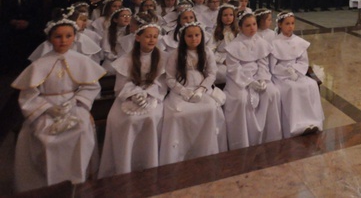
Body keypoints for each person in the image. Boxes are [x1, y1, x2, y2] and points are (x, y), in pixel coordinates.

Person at [12, 18, 106, 192]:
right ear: (49, 39)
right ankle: (46, 184)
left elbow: (91, 87)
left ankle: (77, 179)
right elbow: (28, 95)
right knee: (45, 138)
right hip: (46, 110)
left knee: (81, 130)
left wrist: (76, 102)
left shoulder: (82, 61)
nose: (63, 41)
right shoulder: (39, 64)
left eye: (68, 36)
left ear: (74, 37)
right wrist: (48, 108)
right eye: (58, 36)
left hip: (74, 106)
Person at [98, 23, 167, 177]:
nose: (151, 40)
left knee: (151, 116)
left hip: (153, 95)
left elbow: (161, 83)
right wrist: (135, 93)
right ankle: (125, 163)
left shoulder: (162, 57)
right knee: (125, 119)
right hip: (129, 95)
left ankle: (149, 162)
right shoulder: (127, 58)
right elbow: (121, 85)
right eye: (148, 36)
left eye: (154, 36)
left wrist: (148, 93)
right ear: (138, 37)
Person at [160, 22, 227, 165]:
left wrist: (201, 89)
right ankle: (182, 151)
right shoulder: (175, 54)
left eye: (197, 35)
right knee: (177, 114)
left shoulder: (207, 52)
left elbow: (211, 74)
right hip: (182, 89)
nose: (194, 39)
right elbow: (170, 78)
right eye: (189, 36)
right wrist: (183, 91)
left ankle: (206, 149)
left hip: (202, 89)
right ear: (183, 37)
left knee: (210, 109)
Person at [223, 12, 282, 149]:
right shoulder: (234, 46)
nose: (252, 28)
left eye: (254, 24)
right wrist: (249, 82)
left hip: (258, 76)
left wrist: (262, 79)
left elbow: (263, 63)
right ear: (241, 27)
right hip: (239, 80)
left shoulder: (261, 43)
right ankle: (242, 140)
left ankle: (270, 136)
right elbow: (234, 69)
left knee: (272, 93)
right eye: (248, 25)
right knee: (241, 99)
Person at [269, 12, 324, 137]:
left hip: (298, 73)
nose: (290, 27)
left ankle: (312, 122)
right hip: (281, 76)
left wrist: (295, 70)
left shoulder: (299, 42)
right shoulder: (274, 43)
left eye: (292, 24)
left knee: (311, 85)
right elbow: (273, 66)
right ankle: (295, 125)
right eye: (287, 24)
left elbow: (303, 61)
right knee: (293, 89)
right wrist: (286, 71)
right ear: (279, 25)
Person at [1, 0, 45, 73]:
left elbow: (40, 14)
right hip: (13, 25)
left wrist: (28, 23)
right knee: (5, 35)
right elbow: (4, 12)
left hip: (31, 25)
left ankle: (31, 67)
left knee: (35, 35)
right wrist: (13, 21)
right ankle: (10, 69)